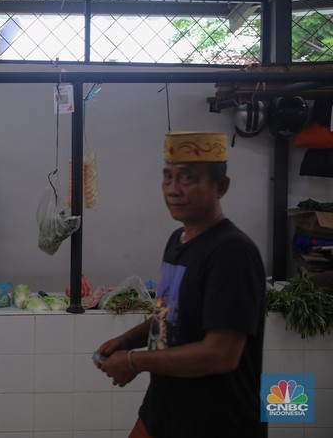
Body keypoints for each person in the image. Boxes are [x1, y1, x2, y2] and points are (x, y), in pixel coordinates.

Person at [94, 131, 267, 438]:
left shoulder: (232, 251)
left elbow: (221, 354)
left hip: (216, 418)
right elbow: (168, 315)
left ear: (221, 186)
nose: (173, 189)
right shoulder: (178, 240)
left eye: (187, 178)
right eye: (167, 176)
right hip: (166, 403)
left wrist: (135, 361)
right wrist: (127, 340)